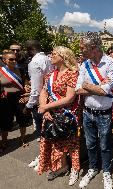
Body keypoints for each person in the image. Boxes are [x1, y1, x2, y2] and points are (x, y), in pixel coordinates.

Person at [76, 32, 113, 189]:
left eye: (82, 48)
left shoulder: (111, 63)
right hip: (87, 112)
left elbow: (106, 91)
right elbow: (77, 90)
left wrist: (88, 85)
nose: (80, 50)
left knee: (105, 145)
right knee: (90, 144)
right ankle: (93, 168)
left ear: (93, 48)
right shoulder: (84, 64)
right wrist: (98, 86)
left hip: (104, 114)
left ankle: (106, 171)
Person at [37, 46, 80, 186]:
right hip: (51, 115)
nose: (51, 55)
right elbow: (44, 93)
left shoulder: (72, 74)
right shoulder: (50, 74)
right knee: (55, 143)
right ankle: (61, 167)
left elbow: (70, 98)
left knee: (71, 144)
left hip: (67, 116)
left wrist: (46, 107)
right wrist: (46, 110)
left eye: (54, 54)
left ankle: (74, 169)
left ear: (63, 57)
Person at [25, 40, 52, 171]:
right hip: (50, 100)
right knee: (48, 132)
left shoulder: (34, 62)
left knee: (42, 134)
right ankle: (46, 157)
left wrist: (28, 106)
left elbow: (36, 89)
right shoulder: (47, 58)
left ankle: (44, 158)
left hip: (40, 103)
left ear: (30, 49)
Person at [0, 51, 29, 151]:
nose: (14, 61)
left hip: (20, 99)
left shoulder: (20, 71)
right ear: (4, 60)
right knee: (5, 121)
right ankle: (4, 141)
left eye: (15, 59)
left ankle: (23, 139)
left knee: (22, 119)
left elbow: (26, 84)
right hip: (5, 101)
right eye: (11, 59)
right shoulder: (1, 71)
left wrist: (26, 95)